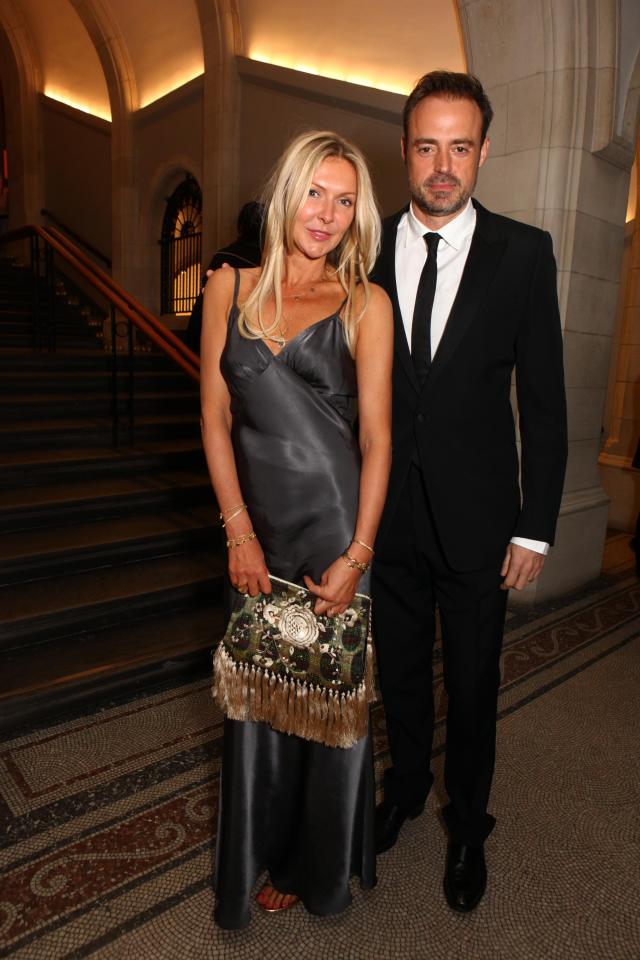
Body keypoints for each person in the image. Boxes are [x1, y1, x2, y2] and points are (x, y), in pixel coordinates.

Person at [371, 72, 568, 912]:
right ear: (405, 150)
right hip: (387, 518)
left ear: (484, 151)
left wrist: (536, 529)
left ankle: (468, 822)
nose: (442, 166)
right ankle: (407, 787)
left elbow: (549, 403)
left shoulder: (524, 253)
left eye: (460, 147)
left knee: (476, 681)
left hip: (483, 520)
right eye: (427, 146)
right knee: (404, 669)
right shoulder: (365, 248)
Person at [200, 130, 393, 929]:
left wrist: (359, 553)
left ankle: (318, 864)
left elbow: (379, 438)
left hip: (339, 525)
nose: (327, 213)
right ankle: (259, 854)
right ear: (286, 191)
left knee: (326, 705)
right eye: (316, 191)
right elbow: (213, 416)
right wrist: (237, 531)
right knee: (260, 695)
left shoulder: (364, 303)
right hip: (259, 527)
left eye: (345, 200)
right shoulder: (228, 285)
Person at [185, 201, 263, 353]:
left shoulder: (224, 256)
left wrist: (192, 339)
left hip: (223, 339)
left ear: (240, 226)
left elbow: (203, 304)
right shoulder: (272, 261)